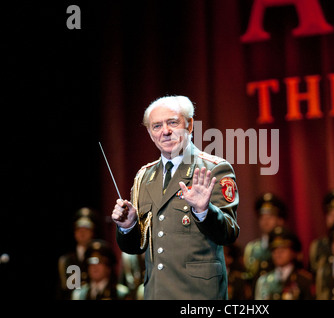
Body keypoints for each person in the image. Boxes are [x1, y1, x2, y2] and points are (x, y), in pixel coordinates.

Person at [111, 95, 239, 300]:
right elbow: (136, 247)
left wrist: (203, 211)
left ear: (189, 126)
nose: (165, 132)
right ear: (150, 133)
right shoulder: (144, 177)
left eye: (172, 122)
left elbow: (229, 233)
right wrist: (128, 226)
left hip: (198, 295)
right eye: (157, 126)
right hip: (156, 293)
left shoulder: (214, 168)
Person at [254, 226, 314, 300]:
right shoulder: (263, 281)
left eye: (283, 249)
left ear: (293, 252)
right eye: (275, 250)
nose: (278, 254)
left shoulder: (304, 280)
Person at [243, 192, 287, 291]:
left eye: (270, 217)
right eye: (262, 217)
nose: (265, 221)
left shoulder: (287, 246)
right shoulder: (252, 248)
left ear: (280, 220)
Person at [57, 207, 97, 299]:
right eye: (79, 229)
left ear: (93, 232)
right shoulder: (67, 260)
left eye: (86, 229)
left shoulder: (100, 257)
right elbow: (64, 289)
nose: (82, 233)